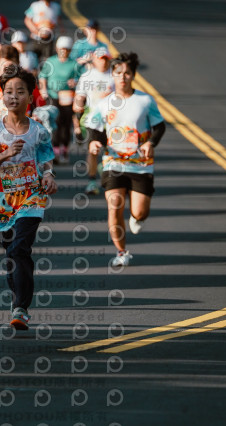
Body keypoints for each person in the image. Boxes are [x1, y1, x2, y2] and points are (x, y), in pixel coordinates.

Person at [0, 64, 57, 330]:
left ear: (30, 96)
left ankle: (21, 307)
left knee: (19, 247)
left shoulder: (39, 131)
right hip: (1, 200)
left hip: (31, 197)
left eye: (20, 91)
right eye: (9, 91)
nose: (13, 96)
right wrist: (6, 154)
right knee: (12, 252)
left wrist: (48, 175)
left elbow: (46, 160)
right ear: (3, 96)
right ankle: (17, 302)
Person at [85, 53, 166, 268]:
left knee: (139, 212)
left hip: (141, 165)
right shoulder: (104, 104)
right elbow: (93, 127)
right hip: (114, 163)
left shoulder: (145, 101)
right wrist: (94, 142)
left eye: (127, 73)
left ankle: (137, 217)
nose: (123, 77)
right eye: (118, 72)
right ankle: (122, 252)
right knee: (114, 207)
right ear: (113, 74)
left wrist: (150, 143)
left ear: (133, 75)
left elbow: (159, 126)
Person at [73, 47, 114, 195]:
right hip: (93, 120)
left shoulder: (115, 75)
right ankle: (91, 182)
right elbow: (80, 96)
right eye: (101, 59)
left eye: (106, 59)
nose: (103, 62)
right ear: (95, 60)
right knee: (93, 150)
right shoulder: (87, 76)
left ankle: (108, 174)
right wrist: (77, 107)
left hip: (112, 120)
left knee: (111, 151)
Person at [38, 36, 81, 164]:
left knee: (66, 124)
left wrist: (75, 81)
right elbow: (42, 76)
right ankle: (55, 151)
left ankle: (65, 149)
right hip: (52, 95)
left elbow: (81, 78)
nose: (64, 51)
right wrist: (43, 90)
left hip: (67, 96)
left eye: (67, 49)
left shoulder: (74, 64)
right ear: (57, 49)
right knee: (54, 122)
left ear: (70, 50)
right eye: (62, 49)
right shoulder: (51, 61)